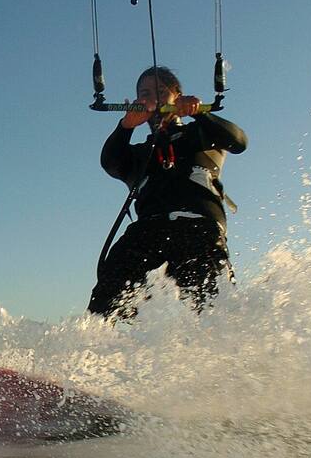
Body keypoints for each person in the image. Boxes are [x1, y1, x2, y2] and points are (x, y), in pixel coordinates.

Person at [87, 66, 248, 319]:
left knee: (210, 307)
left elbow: (238, 141)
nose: (155, 98)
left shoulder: (202, 135)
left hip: (198, 230)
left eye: (162, 91)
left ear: (177, 96)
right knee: (108, 292)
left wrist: (200, 114)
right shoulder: (138, 154)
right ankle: (98, 345)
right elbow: (110, 162)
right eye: (145, 93)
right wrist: (126, 125)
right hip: (148, 232)